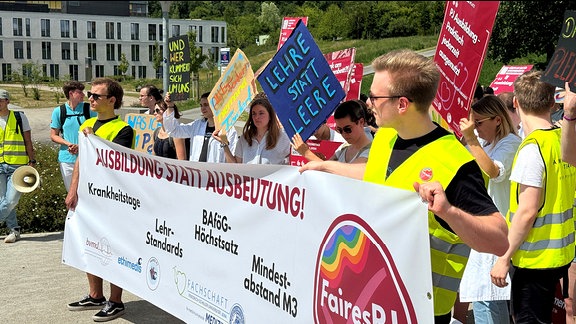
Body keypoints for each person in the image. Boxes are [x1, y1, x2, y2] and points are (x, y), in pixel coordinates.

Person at [299, 49, 509, 323]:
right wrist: (326, 166)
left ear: (402, 104)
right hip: (373, 300)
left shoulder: (454, 161)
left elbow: (499, 238)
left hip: (420, 310)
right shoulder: (386, 137)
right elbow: (377, 176)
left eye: (375, 97)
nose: (369, 104)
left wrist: (448, 211)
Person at [491, 70, 576, 324]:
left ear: (515, 102)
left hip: (533, 259)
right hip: (559, 255)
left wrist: (504, 258)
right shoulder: (564, 139)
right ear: (552, 103)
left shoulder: (531, 148)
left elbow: (527, 211)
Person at [65, 77, 134, 322]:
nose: (90, 99)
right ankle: (95, 295)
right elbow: (81, 162)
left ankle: (115, 301)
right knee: (89, 244)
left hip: (111, 200)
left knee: (113, 248)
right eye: (90, 95)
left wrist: (93, 139)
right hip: (88, 196)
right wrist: (73, 190)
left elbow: (114, 162)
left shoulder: (123, 129)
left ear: (112, 100)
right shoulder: (89, 123)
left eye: (96, 96)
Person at [458, 95, 521, 324]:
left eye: (479, 123)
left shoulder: (510, 143)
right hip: (482, 225)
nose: (476, 129)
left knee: (489, 297)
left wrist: (470, 140)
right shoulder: (486, 144)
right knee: (484, 295)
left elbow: (494, 171)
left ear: (497, 120)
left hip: (498, 228)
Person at [0, 89, 36, 243]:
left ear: (7, 101)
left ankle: (13, 230)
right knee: (3, 200)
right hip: (0, 166)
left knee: (10, 200)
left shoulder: (19, 117)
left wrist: (32, 161)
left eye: (0, 100)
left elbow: (28, 141)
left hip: (17, 166)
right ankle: (14, 230)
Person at [214, 92, 290, 164]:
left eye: (261, 113)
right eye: (254, 114)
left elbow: (292, 165)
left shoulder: (282, 138)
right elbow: (235, 166)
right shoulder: (245, 138)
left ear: (270, 115)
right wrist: (224, 144)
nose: (257, 117)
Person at [50, 81, 97, 191]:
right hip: (67, 159)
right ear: (71, 93)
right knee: (72, 192)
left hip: (87, 158)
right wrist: (68, 144)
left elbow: (97, 130)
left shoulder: (89, 109)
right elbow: (53, 135)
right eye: (80, 92)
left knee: (88, 192)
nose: (83, 95)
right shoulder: (59, 111)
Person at [163, 92, 237, 162]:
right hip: (197, 173)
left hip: (216, 174)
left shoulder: (229, 130)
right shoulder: (196, 126)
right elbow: (173, 131)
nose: (203, 108)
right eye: (201, 105)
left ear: (216, 105)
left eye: (206, 105)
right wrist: (170, 106)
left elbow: (233, 159)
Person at [291, 100, 372, 163]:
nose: (344, 134)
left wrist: (306, 153)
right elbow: (327, 169)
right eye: (339, 130)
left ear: (361, 122)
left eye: (348, 129)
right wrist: (318, 159)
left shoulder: (371, 151)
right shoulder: (344, 147)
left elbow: (341, 175)